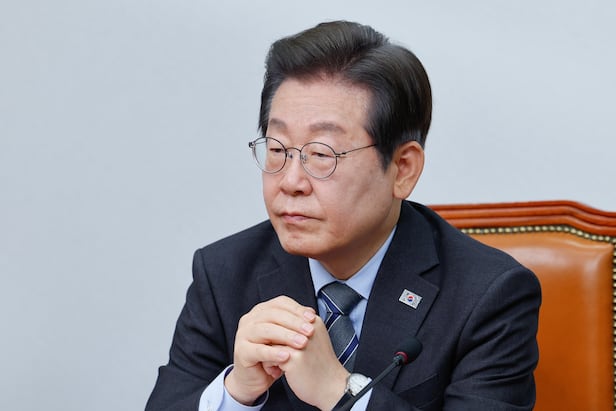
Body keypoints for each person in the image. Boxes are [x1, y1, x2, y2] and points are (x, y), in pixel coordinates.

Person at [146, 20, 540, 411]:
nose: (291, 181)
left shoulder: (487, 295)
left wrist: (340, 391)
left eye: (321, 154)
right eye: (278, 149)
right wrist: (236, 392)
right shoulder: (225, 273)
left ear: (402, 169)